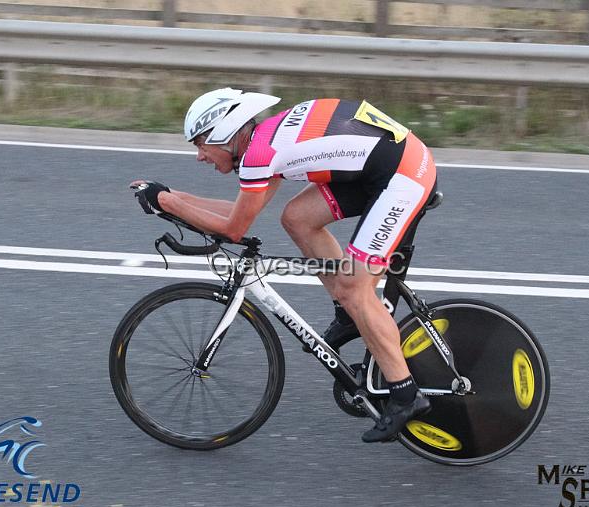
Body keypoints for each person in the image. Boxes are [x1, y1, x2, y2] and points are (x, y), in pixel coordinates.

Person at [131, 87, 437, 442]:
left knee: (356, 288)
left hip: (402, 176)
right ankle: (348, 314)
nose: (200, 156)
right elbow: (238, 212)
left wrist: (167, 202)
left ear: (225, 135)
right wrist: (172, 198)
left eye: (201, 144)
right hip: (379, 169)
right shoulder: (262, 143)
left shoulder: (260, 155)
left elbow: (234, 228)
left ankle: (405, 395)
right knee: (297, 217)